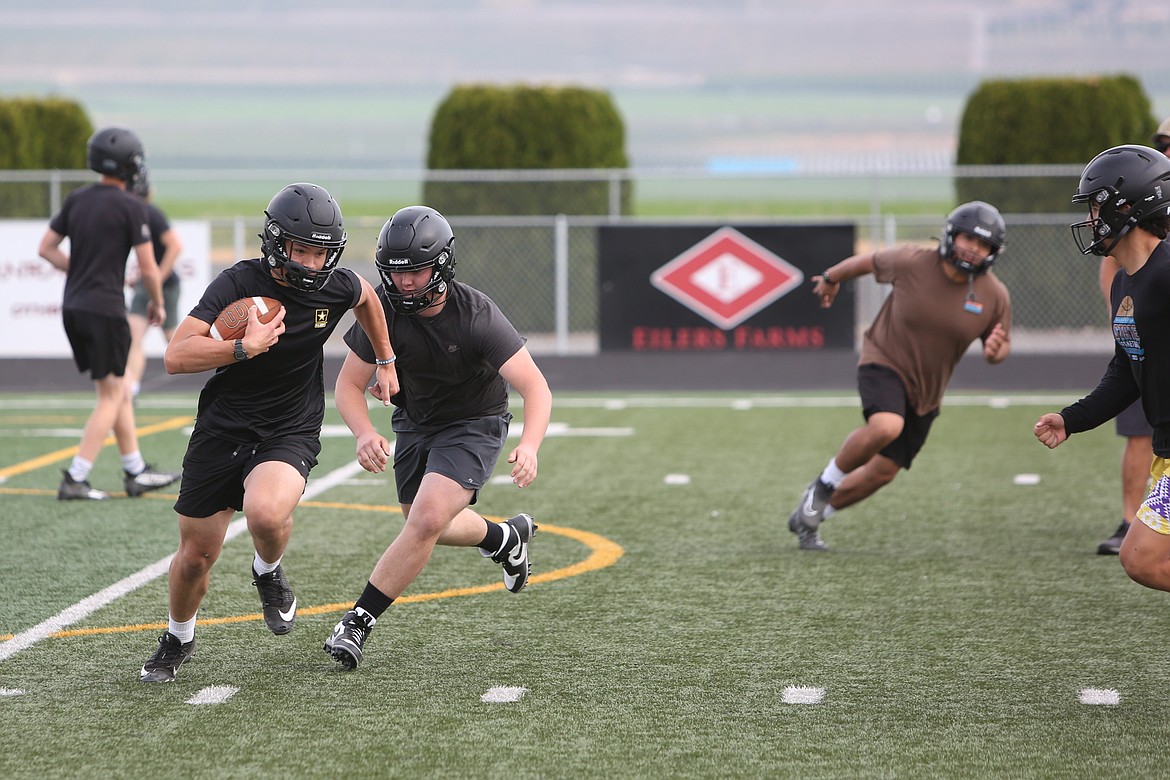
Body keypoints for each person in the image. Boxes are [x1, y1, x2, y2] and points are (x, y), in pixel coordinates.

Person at [138, 183, 399, 683]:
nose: (312, 262)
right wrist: (241, 347)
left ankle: (266, 570)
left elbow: (366, 296)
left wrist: (384, 359)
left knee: (265, 511)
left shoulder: (333, 285)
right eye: (302, 249)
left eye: (323, 252)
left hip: (289, 426)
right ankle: (178, 636)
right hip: (223, 426)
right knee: (196, 557)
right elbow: (176, 356)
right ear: (277, 244)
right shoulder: (238, 283)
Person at [323, 205, 552, 670]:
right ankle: (503, 538)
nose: (405, 283)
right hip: (415, 422)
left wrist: (529, 445)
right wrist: (364, 432)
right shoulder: (381, 311)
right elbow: (347, 385)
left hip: (474, 422)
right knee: (422, 521)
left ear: (443, 264)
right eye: (396, 273)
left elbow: (535, 387)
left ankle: (358, 621)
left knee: (426, 518)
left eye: (417, 271)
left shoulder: (477, 315)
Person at [787, 201, 1012, 551]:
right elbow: (867, 262)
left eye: (983, 244)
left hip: (927, 392)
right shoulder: (912, 261)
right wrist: (831, 278)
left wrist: (997, 351)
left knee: (882, 472)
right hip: (883, 360)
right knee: (886, 425)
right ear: (952, 235)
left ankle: (812, 514)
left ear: (993, 252)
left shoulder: (994, 295)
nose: (973, 248)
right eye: (969, 238)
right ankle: (824, 485)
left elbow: (998, 348)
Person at [1035, 144, 1170, 596]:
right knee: (1142, 559)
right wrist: (1072, 419)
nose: (1092, 219)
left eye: (1097, 206)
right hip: (1164, 449)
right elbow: (1124, 370)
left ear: (1127, 206)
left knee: (1141, 558)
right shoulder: (1125, 283)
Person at [37, 126, 181, 501]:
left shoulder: (77, 200)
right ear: (130, 166)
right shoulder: (132, 206)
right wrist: (158, 303)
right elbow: (150, 269)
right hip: (105, 310)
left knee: (114, 388)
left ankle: (135, 470)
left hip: (74, 308)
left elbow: (46, 249)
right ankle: (76, 475)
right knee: (111, 395)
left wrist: (79, 268)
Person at [1096, 255, 1153, 555]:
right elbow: (1111, 260)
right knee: (1138, 430)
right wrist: (1117, 312)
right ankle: (1130, 519)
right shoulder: (1142, 223)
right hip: (1148, 344)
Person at [125, 168, 185, 402]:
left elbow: (175, 246)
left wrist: (157, 278)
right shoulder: (130, 213)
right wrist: (142, 277)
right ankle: (131, 389)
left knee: (173, 340)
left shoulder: (150, 213)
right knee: (133, 338)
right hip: (146, 285)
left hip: (166, 287)